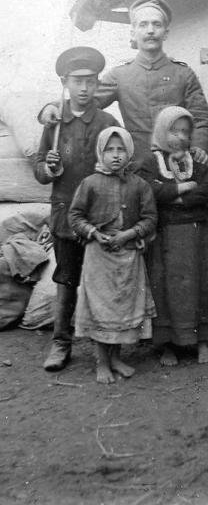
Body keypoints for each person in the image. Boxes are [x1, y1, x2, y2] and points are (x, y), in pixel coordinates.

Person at [39, 0, 208, 166]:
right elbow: (86, 99)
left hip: (180, 162)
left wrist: (200, 148)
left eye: (157, 24)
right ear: (133, 33)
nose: (150, 30)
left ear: (166, 33)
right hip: (136, 165)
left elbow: (201, 120)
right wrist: (53, 106)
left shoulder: (183, 74)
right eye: (143, 25)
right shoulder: (120, 75)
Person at [33, 47, 120, 372]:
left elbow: (120, 163)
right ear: (65, 83)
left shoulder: (107, 122)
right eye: (77, 81)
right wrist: (49, 168)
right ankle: (61, 343)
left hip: (100, 217)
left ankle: (107, 346)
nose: (84, 88)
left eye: (90, 81)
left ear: (97, 83)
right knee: (67, 280)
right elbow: (39, 169)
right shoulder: (55, 123)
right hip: (66, 215)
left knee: (103, 281)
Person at [68, 127, 157, 384]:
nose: (116, 155)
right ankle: (102, 362)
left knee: (122, 309)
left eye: (121, 149)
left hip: (128, 254)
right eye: (109, 150)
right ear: (101, 152)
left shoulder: (139, 185)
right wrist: (94, 233)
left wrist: (128, 234)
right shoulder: (89, 183)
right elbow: (75, 216)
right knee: (101, 309)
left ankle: (116, 358)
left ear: (129, 153)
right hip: (99, 255)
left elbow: (150, 218)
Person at [140, 106, 208, 366]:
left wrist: (176, 198)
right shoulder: (151, 163)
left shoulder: (197, 161)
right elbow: (149, 191)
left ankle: (202, 342)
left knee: (200, 284)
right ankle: (167, 345)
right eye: (173, 131)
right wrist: (181, 189)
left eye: (186, 132)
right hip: (165, 237)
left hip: (196, 235)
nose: (180, 137)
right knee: (166, 288)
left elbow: (207, 189)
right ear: (161, 131)